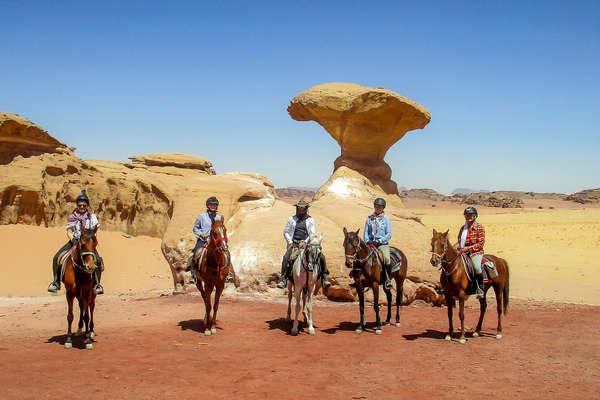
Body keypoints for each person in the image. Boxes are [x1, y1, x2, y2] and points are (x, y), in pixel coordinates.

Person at [47, 190, 104, 295]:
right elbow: (69, 230)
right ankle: (56, 283)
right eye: (79, 205)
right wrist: (73, 239)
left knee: (98, 261)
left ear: (87, 205)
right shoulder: (73, 217)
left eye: (83, 205)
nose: (81, 207)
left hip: (87, 242)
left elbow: (95, 231)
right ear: (77, 205)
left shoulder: (92, 217)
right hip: (75, 240)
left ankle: (96, 285)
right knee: (57, 257)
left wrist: (91, 241)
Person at [277, 200, 330, 289]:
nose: (300, 210)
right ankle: (283, 279)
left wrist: (305, 242)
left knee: (321, 257)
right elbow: (286, 232)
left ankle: (324, 277)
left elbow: (312, 233)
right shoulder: (291, 219)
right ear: (297, 208)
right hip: (294, 244)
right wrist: (290, 242)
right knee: (286, 257)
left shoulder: (310, 220)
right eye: (299, 208)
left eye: (302, 208)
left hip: (307, 245)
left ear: (306, 209)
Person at [189, 196, 235, 282]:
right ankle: (193, 274)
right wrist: (201, 234)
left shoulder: (218, 218)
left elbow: (220, 230)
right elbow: (195, 228)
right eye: (211, 205)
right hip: (203, 240)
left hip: (216, 242)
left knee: (226, 253)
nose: (213, 206)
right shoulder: (201, 217)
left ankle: (228, 273)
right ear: (208, 205)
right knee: (195, 253)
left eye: (214, 205)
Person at [363, 197, 393, 289]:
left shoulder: (386, 219)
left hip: (382, 244)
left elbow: (389, 234)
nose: (378, 208)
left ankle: (388, 279)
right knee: (360, 257)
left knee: (387, 259)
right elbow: (365, 232)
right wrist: (367, 241)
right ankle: (357, 278)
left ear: (383, 208)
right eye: (376, 206)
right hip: (370, 243)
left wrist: (380, 241)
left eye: (380, 207)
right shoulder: (369, 219)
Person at [456, 206, 485, 298]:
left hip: (475, 252)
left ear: (475, 216)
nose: (468, 217)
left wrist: (468, 249)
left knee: (476, 267)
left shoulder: (479, 228)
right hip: (463, 251)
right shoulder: (462, 228)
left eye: (470, 215)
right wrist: (454, 248)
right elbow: (460, 241)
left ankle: (480, 288)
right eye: (466, 215)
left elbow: (480, 244)